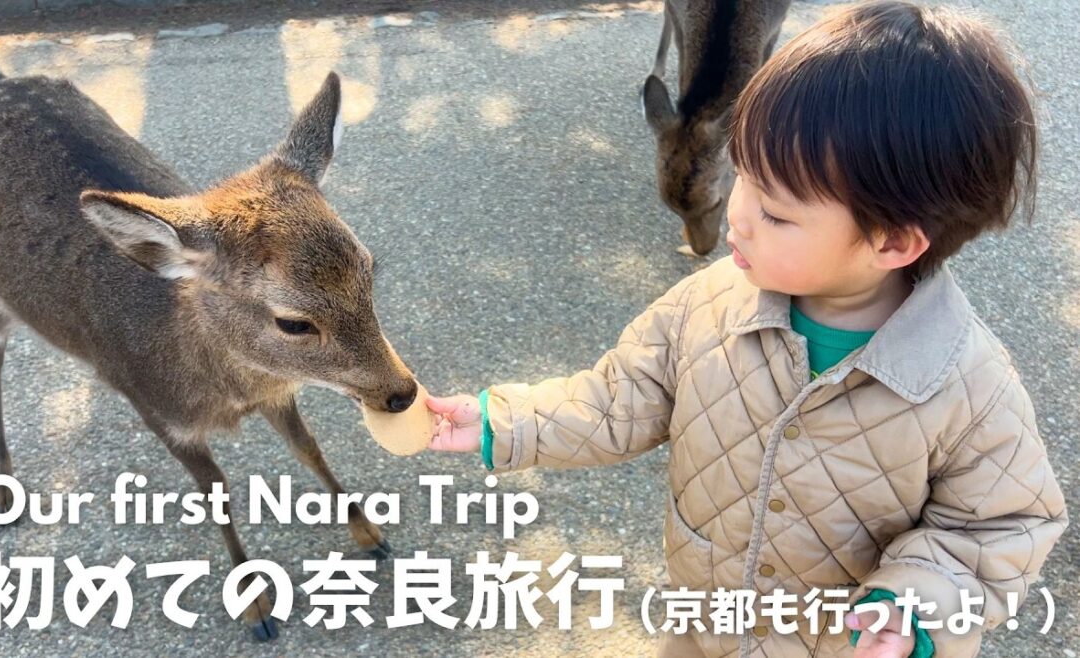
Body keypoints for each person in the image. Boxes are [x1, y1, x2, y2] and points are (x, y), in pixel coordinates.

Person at [422, 2, 1068, 656]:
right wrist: (504, 421)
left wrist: (913, 610)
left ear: (894, 242)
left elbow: (1000, 527)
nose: (738, 216)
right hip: (704, 628)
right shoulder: (706, 304)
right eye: (743, 179)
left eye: (776, 212)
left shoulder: (969, 386)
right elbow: (616, 399)